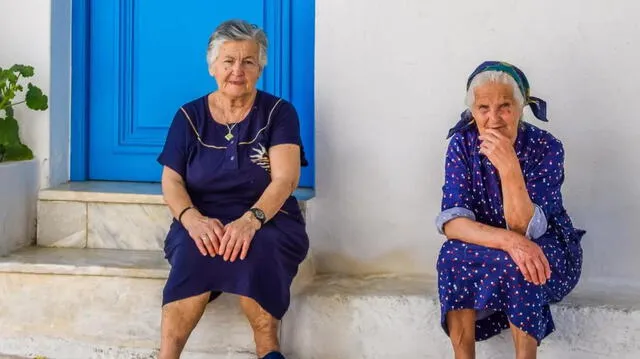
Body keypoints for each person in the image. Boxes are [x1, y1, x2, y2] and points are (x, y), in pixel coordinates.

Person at [157, 19, 309, 359]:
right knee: (194, 253)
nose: (237, 70)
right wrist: (191, 219)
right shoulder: (189, 116)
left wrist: (251, 220)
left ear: (260, 67)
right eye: (229, 61)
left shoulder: (279, 113)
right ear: (213, 66)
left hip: (269, 217)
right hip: (202, 216)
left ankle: (269, 351)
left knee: (258, 251)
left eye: (248, 61)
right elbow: (172, 180)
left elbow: (285, 179)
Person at [435, 61, 585, 359]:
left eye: (504, 106)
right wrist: (510, 242)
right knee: (451, 255)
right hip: (491, 243)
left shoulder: (547, 147)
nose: (493, 119)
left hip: (546, 246)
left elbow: (523, 229)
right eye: (483, 108)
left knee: (521, 262)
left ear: (521, 107)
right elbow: (453, 222)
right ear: (473, 111)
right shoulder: (462, 145)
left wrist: (509, 167)